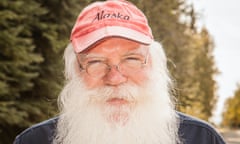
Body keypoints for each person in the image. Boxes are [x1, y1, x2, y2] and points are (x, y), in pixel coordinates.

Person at [13, 0, 226, 144]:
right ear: (75, 71)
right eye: (96, 62)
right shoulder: (34, 141)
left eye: (131, 59)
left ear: (154, 64)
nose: (114, 78)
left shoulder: (201, 138)